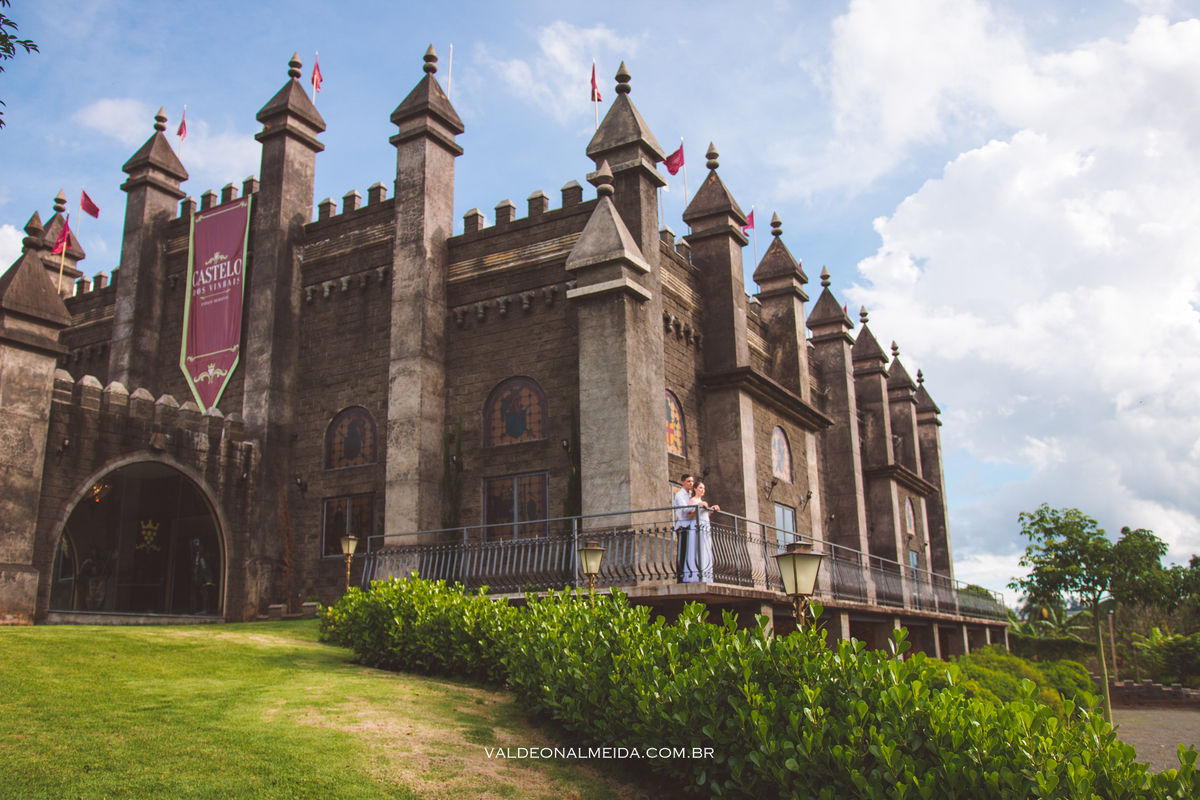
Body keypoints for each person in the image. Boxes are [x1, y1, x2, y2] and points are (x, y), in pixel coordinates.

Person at [690, 483, 719, 582]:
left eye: (704, 488)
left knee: (705, 548)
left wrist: (712, 509)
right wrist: (699, 505)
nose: (703, 490)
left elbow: (705, 515)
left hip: (705, 526)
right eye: (700, 488)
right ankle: (696, 574)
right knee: (698, 548)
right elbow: (690, 515)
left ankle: (706, 575)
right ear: (695, 489)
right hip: (697, 525)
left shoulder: (702, 501)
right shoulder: (693, 500)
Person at [673, 474, 696, 582]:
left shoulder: (692, 494)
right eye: (688, 481)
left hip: (691, 526)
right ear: (682, 482)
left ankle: (689, 574)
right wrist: (698, 505)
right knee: (682, 551)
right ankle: (680, 577)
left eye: (692, 481)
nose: (691, 483)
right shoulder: (679, 495)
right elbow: (685, 509)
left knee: (690, 551)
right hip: (682, 526)